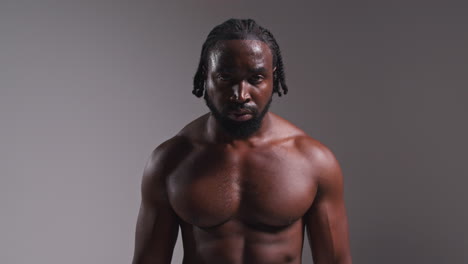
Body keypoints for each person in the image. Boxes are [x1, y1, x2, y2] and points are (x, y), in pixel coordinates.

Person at [132, 18, 352, 264]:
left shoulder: (313, 161)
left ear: (273, 77)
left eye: (256, 78)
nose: (241, 94)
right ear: (206, 76)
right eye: (226, 77)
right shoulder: (170, 161)